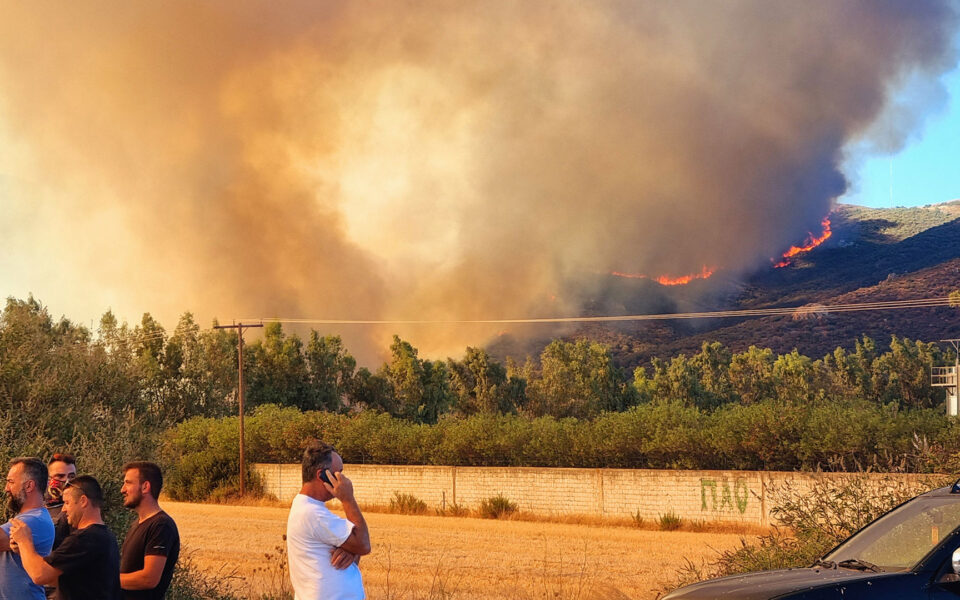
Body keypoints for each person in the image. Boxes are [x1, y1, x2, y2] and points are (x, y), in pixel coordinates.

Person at [9, 475, 121, 600]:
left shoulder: (85, 538)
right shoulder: (106, 537)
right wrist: (24, 551)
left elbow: (40, 575)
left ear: (83, 501)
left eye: (67, 503)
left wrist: (25, 541)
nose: (63, 509)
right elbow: (57, 578)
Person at [286, 440, 371, 600]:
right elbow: (364, 544)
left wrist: (351, 551)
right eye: (338, 472)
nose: (343, 479)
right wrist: (348, 499)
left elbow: (358, 547)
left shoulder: (308, 508)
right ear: (321, 475)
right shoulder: (312, 513)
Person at [119, 461, 180, 600]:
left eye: (128, 483)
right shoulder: (138, 524)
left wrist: (109, 579)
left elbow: (149, 578)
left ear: (145, 487)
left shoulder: (161, 526)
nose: (123, 489)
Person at [0, 457, 55, 600]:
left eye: (11, 482)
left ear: (29, 486)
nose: (6, 488)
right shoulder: (27, 518)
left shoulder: (35, 520)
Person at [46, 453, 77, 550]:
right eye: (60, 476)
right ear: (47, 479)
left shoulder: (79, 510)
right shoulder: (36, 507)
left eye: (71, 476)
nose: (67, 481)